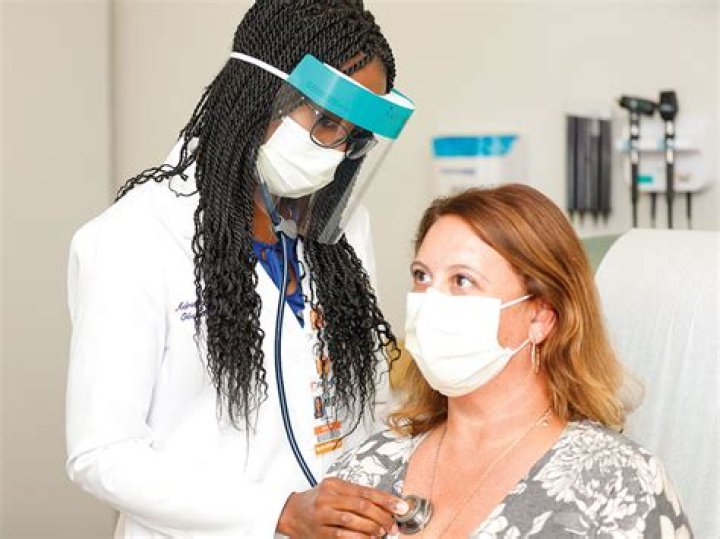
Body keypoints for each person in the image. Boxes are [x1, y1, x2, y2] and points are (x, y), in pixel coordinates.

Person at [65, 1, 415, 537]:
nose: (336, 150)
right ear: (258, 96)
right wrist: (277, 511)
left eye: (353, 136)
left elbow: (365, 404)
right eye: (326, 122)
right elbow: (103, 454)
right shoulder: (135, 237)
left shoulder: (343, 230)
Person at [328, 184, 692, 537]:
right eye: (422, 276)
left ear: (540, 317)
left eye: (462, 280)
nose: (430, 302)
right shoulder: (368, 467)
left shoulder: (619, 485)